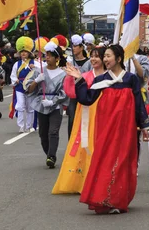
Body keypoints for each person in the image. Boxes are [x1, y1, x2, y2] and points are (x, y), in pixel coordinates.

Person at [64, 44, 149, 214]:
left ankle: (118, 199)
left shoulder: (130, 79)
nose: (105, 59)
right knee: (106, 160)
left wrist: (144, 126)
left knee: (123, 162)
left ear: (118, 59)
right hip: (106, 128)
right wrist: (79, 79)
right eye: (105, 57)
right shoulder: (101, 80)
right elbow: (86, 99)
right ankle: (104, 197)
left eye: (108, 56)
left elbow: (138, 104)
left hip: (126, 128)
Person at [53, 47, 107, 194]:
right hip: (86, 114)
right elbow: (72, 93)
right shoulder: (86, 75)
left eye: (97, 56)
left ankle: (101, 179)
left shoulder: (110, 76)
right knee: (84, 143)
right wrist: (73, 77)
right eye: (92, 56)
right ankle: (82, 180)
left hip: (104, 114)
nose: (94, 59)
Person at [25, 42, 68, 169]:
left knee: (53, 131)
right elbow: (29, 88)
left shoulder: (64, 74)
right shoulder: (39, 71)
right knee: (43, 133)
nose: (47, 57)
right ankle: (48, 153)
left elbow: (65, 92)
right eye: (46, 55)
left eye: (50, 55)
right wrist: (37, 81)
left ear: (57, 58)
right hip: (41, 104)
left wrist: (54, 101)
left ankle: (52, 156)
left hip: (55, 105)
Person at [67, 34, 92, 138]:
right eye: (72, 46)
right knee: (72, 119)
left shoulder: (89, 62)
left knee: (86, 120)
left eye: (75, 46)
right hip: (73, 95)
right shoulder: (69, 61)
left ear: (82, 47)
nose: (73, 48)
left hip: (86, 93)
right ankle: (71, 143)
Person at [10, 37, 36, 133]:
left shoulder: (34, 63)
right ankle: (21, 126)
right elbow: (12, 75)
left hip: (30, 87)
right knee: (20, 105)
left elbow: (43, 70)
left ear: (29, 52)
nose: (23, 53)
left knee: (30, 107)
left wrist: (35, 67)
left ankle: (29, 126)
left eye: (25, 51)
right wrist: (15, 80)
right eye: (22, 52)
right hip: (20, 87)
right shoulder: (17, 64)